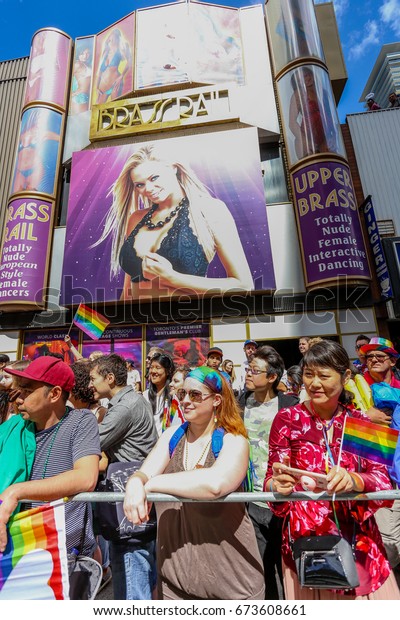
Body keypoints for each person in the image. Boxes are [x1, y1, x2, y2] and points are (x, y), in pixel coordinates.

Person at [265, 340, 399, 600]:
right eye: (308, 374)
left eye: (324, 375)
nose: (314, 383)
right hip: (307, 543)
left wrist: (354, 479)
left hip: (358, 540)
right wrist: (276, 485)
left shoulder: (359, 421)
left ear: (346, 376)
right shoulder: (288, 419)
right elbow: (271, 479)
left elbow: (384, 483)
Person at [123, 366, 265, 600]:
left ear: (217, 400)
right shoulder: (172, 435)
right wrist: (135, 483)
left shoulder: (233, 440)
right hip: (175, 583)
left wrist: (152, 483)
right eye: (182, 394)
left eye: (195, 395)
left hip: (233, 585)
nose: (186, 401)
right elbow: (143, 474)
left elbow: (216, 484)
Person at [92, 143, 253, 299]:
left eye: (154, 178)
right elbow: (127, 293)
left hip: (185, 323)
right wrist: (116, 326)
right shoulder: (136, 219)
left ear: (173, 168)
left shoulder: (210, 210)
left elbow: (244, 286)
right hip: (139, 323)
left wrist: (172, 278)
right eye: (140, 185)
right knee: (80, 321)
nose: (148, 189)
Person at [0, 357, 101, 562]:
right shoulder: (12, 428)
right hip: (15, 549)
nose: (18, 398)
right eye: (18, 390)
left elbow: (86, 477)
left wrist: (16, 492)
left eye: (27, 391)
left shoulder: (80, 421)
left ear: (54, 394)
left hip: (64, 554)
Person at [89, 354, 158, 600]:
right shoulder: (128, 402)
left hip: (129, 504)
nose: (90, 384)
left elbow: (91, 442)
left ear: (110, 378)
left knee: (132, 582)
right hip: (131, 496)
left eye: (93, 378)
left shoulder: (126, 406)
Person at [238, 345, 298, 599]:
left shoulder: (289, 405)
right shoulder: (239, 403)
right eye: (248, 369)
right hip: (250, 500)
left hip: (283, 499)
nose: (248, 374)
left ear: (272, 377)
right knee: (259, 567)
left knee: (288, 567)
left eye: (255, 370)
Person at [288, 67, 337, 160]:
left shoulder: (324, 93)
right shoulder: (298, 94)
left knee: (329, 165)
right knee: (312, 166)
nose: (306, 79)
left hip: (325, 137)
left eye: (306, 75)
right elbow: (292, 123)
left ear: (311, 74)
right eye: (300, 80)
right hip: (306, 138)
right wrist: (305, 141)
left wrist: (334, 136)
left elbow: (331, 117)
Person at [12, 108, 60, 194]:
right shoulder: (23, 134)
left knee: (32, 192)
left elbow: (60, 138)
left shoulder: (43, 133)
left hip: (36, 167)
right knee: (18, 194)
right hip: (20, 170)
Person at [360, 337, 400, 424]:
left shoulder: (399, 387)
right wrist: (364, 417)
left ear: (392, 361)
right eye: (370, 357)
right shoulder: (357, 387)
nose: (374, 360)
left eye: (380, 356)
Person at [95, 28, 132, 104]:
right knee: (97, 111)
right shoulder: (106, 52)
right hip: (102, 87)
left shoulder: (120, 49)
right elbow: (99, 72)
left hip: (115, 84)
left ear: (117, 38)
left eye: (114, 38)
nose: (111, 40)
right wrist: (96, 87)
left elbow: (129, 61)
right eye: (110, 39)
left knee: (115, 109)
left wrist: (121, 76)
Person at [143, 352, 175, 435]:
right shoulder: (145, 395)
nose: (153, 371)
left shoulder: (173, 396)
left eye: (158, 367)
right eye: (151, 367)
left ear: (167, 371)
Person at [71, 44, 92, 114]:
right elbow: (66, 80)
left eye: (87, 53)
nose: (85, 56)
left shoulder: (88, 65)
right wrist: (72, 93)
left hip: (86, 97)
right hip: (79, 97)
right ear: (78, 54)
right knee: (80, 122)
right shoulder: (77, 64)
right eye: (82, 53)